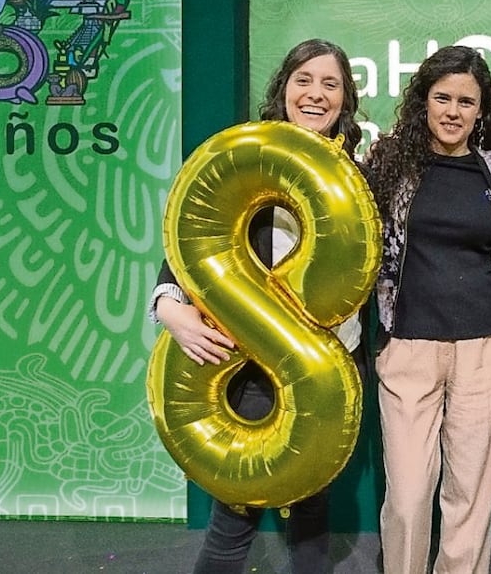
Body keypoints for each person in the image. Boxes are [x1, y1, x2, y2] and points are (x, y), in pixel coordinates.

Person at [147, 38, 366, 574]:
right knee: (234, 513)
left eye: (330, 84)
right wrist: (167, 305)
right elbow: (197, 243)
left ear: (346, 99)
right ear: (283, 88)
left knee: (312, 509)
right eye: (304, 80)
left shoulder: (359, 170)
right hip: (245, 363)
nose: (316, 94)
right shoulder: (246, 158)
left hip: (327, 364)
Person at [366, 45, 491, 574]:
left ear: (481, 110)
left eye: (466, 102)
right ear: (423, 101)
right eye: (442, 98)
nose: (453, 111)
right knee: (406, 498)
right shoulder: (385, 166)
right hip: (407, 344)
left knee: (469, 498)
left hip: (485, 346)